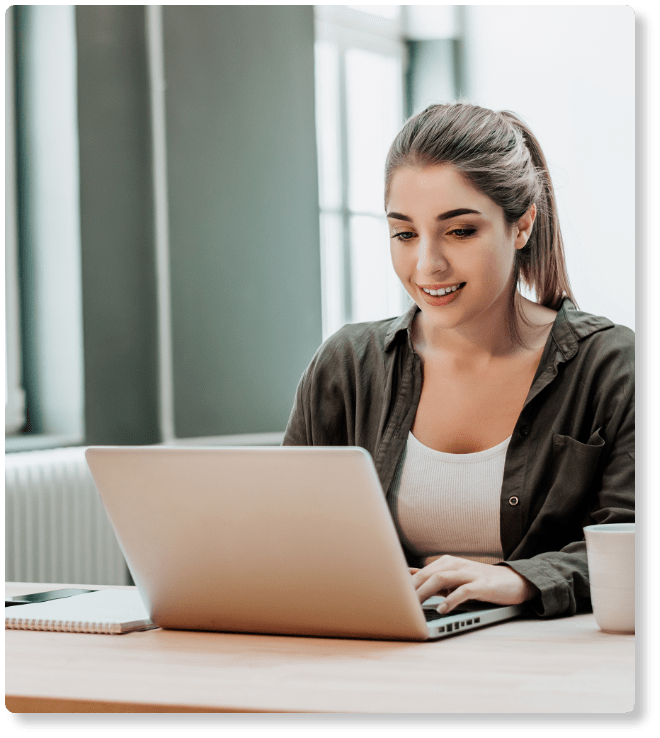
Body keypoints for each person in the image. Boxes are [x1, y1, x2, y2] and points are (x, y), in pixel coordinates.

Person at [283, 102, 635, 619]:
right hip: (386, 654)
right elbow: (287, 534)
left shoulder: (611, 366)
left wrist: (520, 579)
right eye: (405, 234)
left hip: (554, 670)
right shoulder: (347, 366)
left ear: (522, 225)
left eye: (460, 231)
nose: (427, 264)